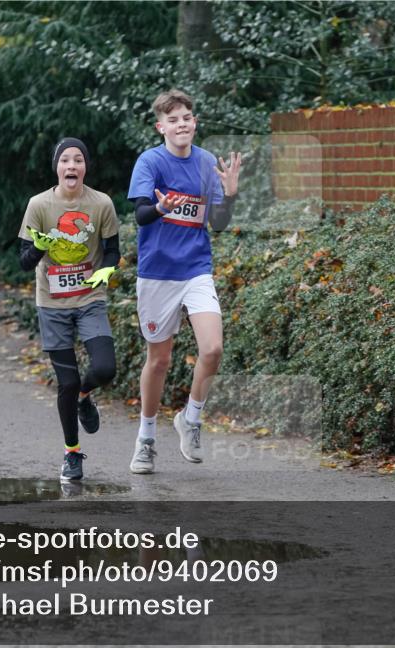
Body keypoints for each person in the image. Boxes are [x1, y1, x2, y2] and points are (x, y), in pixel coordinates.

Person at [126, 89, 243, 474]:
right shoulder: (150, 161)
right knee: (159, 360)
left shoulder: (207, 162)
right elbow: (141, 215)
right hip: (158, 272)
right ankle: (145, 440)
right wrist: (161, 207)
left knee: (212, 348)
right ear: (161, 127)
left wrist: (228, 195)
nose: (182, 124)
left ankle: (190, 420)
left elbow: (218, 224)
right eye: (173, 119)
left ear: (195, 123)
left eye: (187, 118)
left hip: (196, 268)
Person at [18, 137, 120, 483]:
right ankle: (72, 453)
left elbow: (112, 249)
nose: (72, 166)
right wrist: (37, 249)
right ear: (57, 167)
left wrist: (108, 267)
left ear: (85, 167)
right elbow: (22, 261)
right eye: (65, 160)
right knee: (66, 381)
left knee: (105, 368)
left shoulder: (101, 203)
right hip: (52, 303)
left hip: (90, 299)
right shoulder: (38, 205)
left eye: (78, 160)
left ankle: (85, 395)